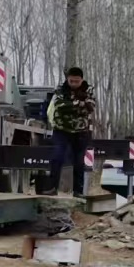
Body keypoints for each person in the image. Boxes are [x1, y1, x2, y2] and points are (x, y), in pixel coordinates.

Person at [47, 66, 98, 196]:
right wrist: (79, 103)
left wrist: (71, 104)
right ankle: (52, 187)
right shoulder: (60, 89)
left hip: (81, 131)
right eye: (71, 81)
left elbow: (90, 107)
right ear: (67, 79)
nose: (74, 84)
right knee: (57, 157)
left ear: (82, 80)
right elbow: (59, 106)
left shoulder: (89, 89)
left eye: (77, 81)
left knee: (79, 161)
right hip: (61, 129)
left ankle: (78, 191)